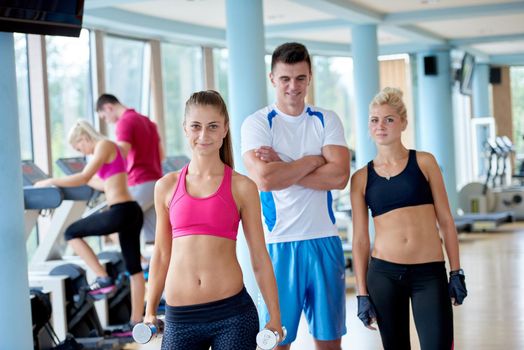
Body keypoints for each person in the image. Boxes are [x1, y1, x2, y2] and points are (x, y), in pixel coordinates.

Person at [144, 90, 283, 350]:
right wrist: (150, 309)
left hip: (232, 315)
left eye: (212, 126)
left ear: (225, 129)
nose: (203, 135)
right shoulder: (166, 186)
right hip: (180, 318)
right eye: (196, 126)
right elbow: (162, 254)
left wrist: (274, 316)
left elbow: (259, 257)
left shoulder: (242, 187)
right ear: (185, 128)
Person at [241, 42, 350, 350]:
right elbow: (265, 179)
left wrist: (285, 165)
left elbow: (340, 177)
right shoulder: (258, 123)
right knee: (276, 343)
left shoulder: (326, 120)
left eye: (300, 78)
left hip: (325, 241)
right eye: (285, 78)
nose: (293, 86)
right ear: (272, 78)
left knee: (330, 344)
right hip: (279, 247)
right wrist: (315, 160)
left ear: (310, 77)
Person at [350, 87, 468, 350]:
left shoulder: (425, 162)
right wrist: (361, 292)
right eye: (374, 120)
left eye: (389, 119)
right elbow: (359, 240)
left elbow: (447, 221)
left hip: (429, 273)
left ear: (403, 123)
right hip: (384, 276)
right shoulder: (360, 178)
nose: (381, 126)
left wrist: (456, 271)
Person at [35, 120, 145, 327]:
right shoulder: (113, 148)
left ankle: (103, 278)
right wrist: (80, 180)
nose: (82, 152)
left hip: (121, 211)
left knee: (71, 233)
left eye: (79, 147)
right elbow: (103, 183)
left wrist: (51, 181)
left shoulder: (103, 146)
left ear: (84, 138)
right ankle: (135, 322)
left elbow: (85, 177)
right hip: (131, 211)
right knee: (134, 270)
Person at [96, 94, 163, 244]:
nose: (107, 121)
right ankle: (149, 265)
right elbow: (162, 155)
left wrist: (101, 171)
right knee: (152, 237)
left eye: (104, 117)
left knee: (114, 224)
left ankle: (135, 265)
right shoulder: (147, 121)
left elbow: (121, 155)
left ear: (108, 107)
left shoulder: (124, 122)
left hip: (139, 181)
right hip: (155, 183)